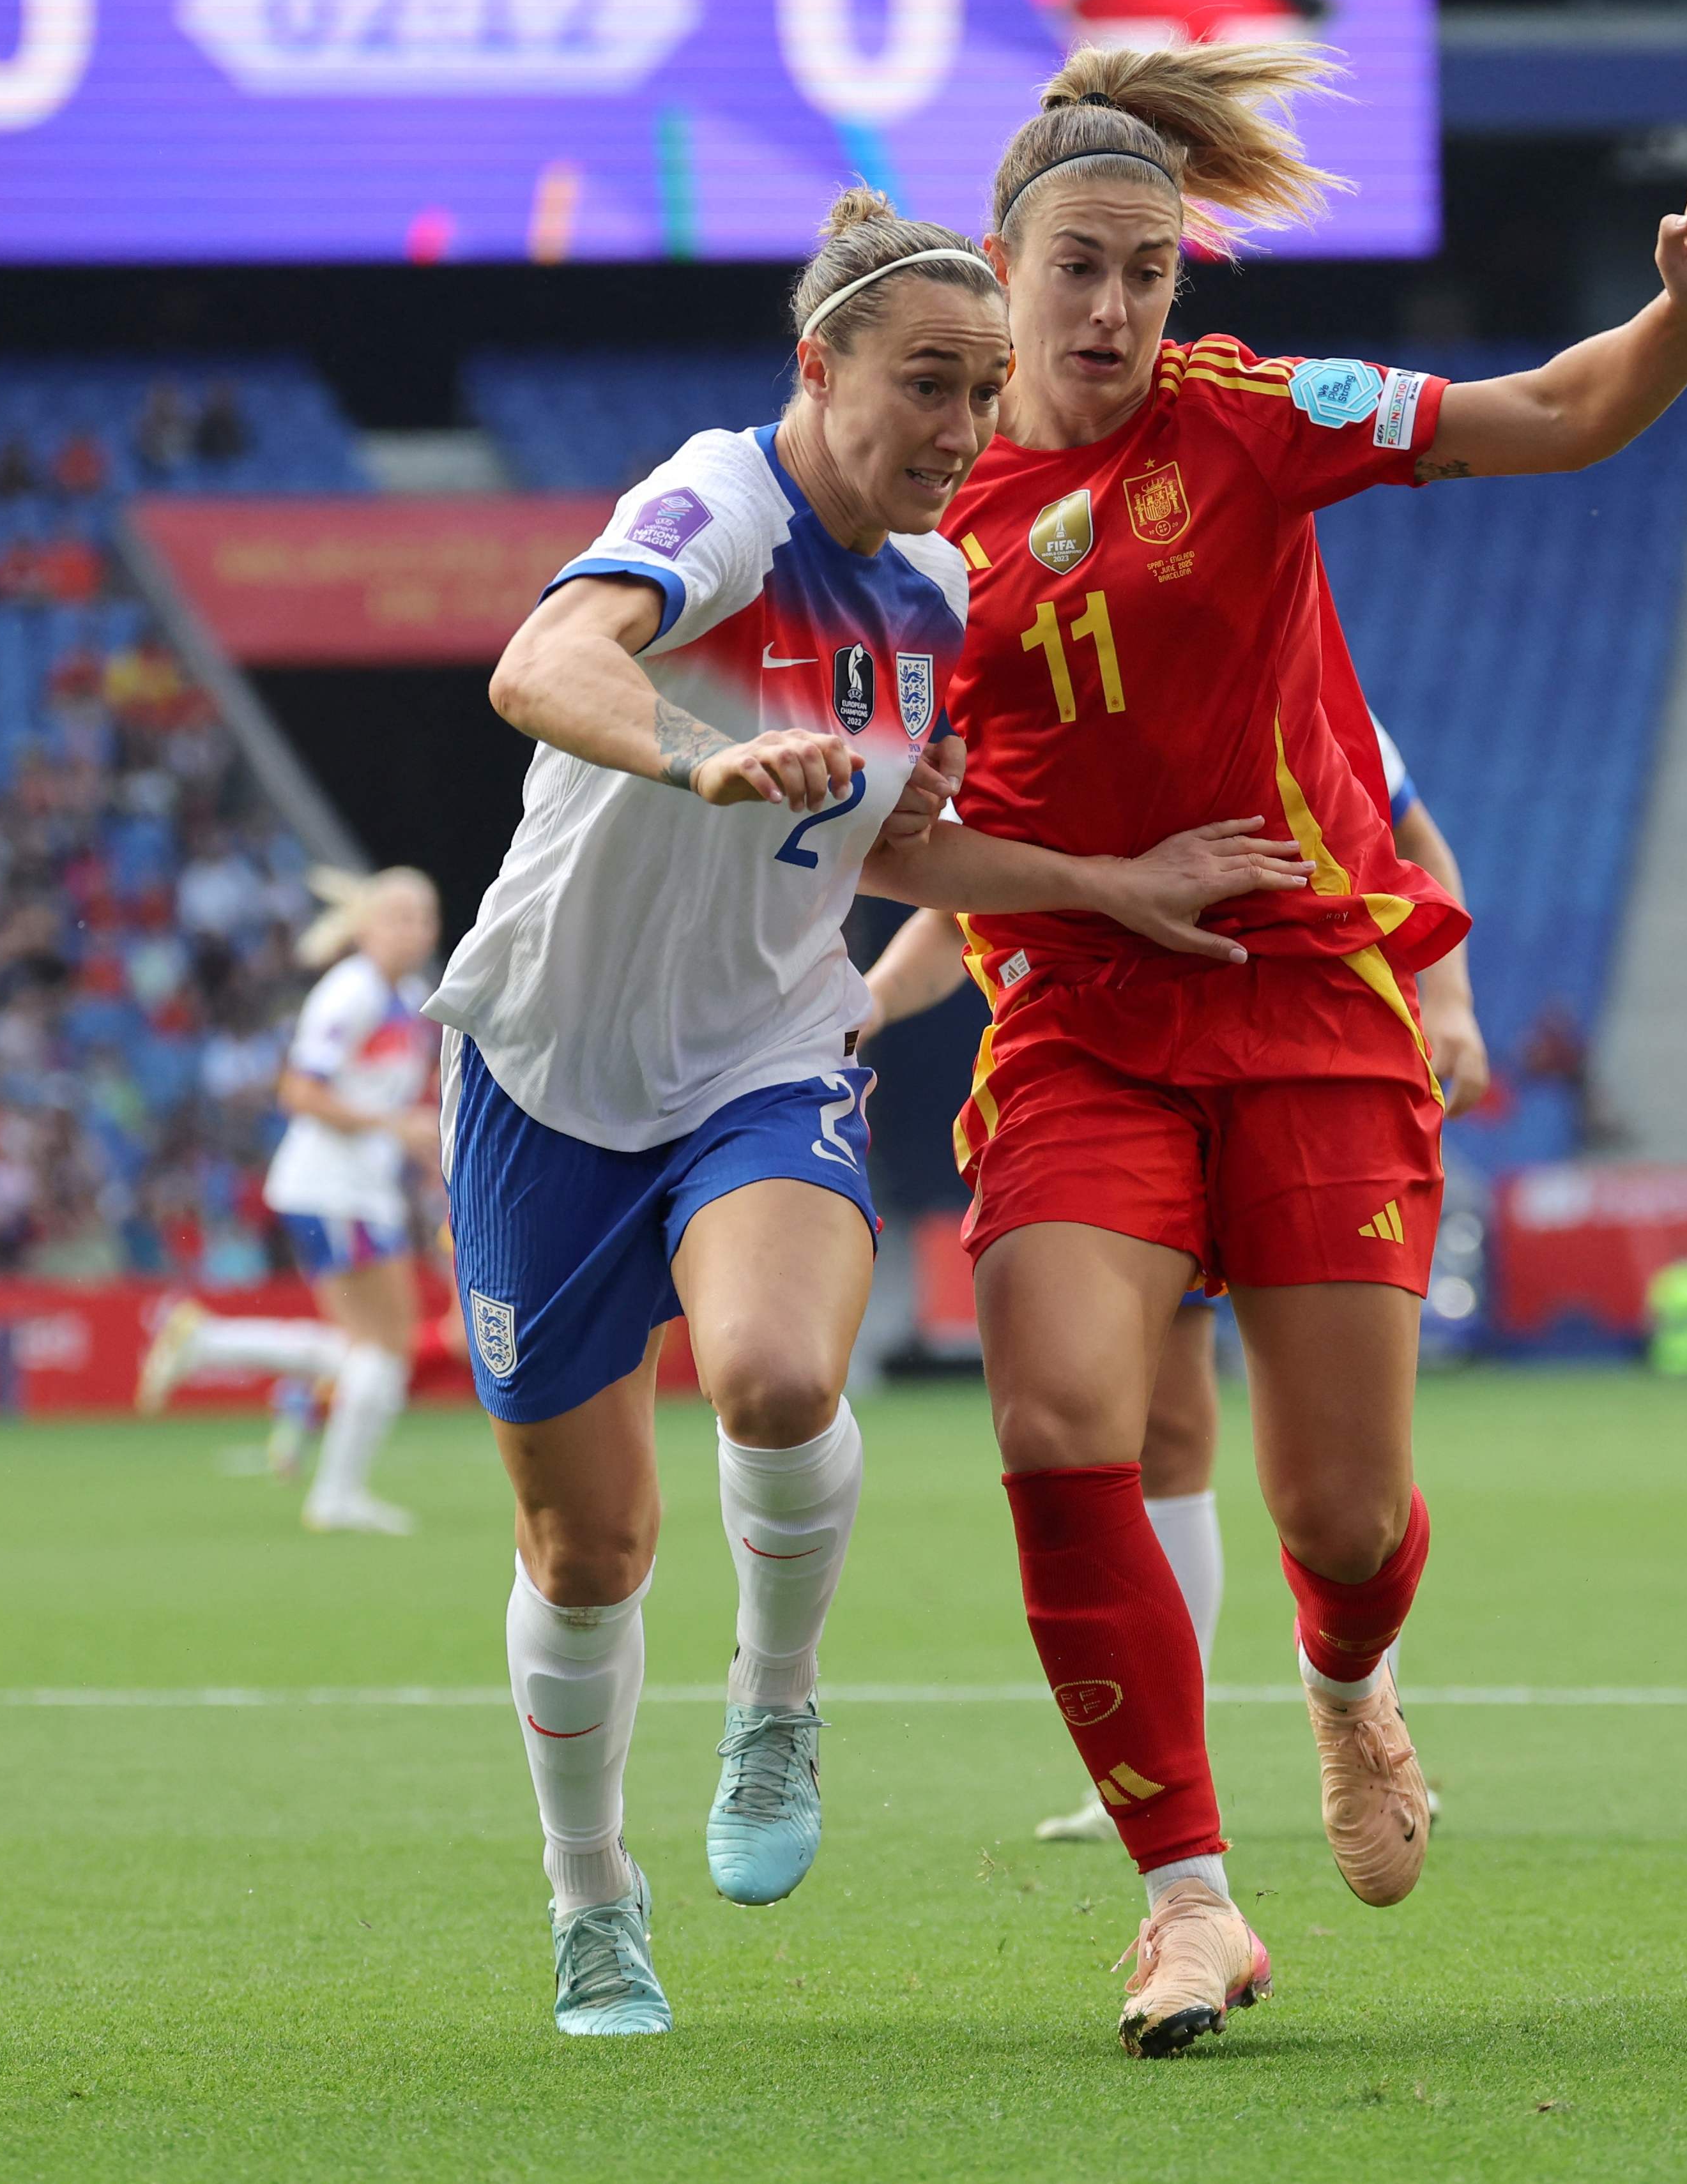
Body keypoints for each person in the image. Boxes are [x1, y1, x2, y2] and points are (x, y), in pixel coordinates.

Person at [937, 42, 1687, 2058]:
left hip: (1310, 991)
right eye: (1075, 266)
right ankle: (1184, 1901)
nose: (1109, 310)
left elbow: (1549, 412)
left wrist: (1681, 313)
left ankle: (1347, 1684)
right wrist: (1084, 880)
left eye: (1147, 271)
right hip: (1080, 1012)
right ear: (998, 266)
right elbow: (883, 807)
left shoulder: (1247, 417)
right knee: (1061, 1416)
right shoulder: (917, 497)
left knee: (1338, 1515)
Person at [420, 188, 1309, 2042]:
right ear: (814, 368)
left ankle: (776, 1694)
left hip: (762, 1053)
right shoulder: (717, 506)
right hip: (548, 1074)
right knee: (584, 1551)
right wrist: (701, 745)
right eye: (927, 384)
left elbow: (897, 842)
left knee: (773, 1375)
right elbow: (542, 665)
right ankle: (593, 1894)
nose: (965, 429)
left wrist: (1102, 881)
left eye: (985, 393)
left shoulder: (935, 593)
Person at [856, 720, 1488, 1849]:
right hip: (1102, 1074)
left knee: (1345, 1497)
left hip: (1295, 1048)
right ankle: (1161, 1761)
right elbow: (953, 904)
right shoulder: (995, 686)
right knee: (1156, 1429)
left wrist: (1450, 1002)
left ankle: (1358, 1686)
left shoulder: (1269, 667)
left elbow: (1408, 834)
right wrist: (867, 1001)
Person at [137, 867, 444, 1536]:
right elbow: (301, 1092)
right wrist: (396, 1129)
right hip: (332, 1186)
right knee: (385, 1350)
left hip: (359, 1187)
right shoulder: (351, 993)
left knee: (372, 1351)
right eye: (400, 915)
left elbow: (377, 1095)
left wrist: (416, 1143)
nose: (415, 929)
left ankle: (209, 1342)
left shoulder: (409, 997)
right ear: (364, 926)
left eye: (424, 916)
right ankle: (335, 1494)